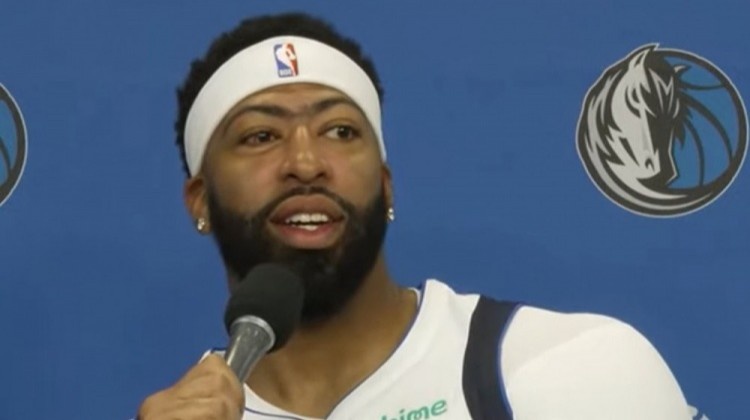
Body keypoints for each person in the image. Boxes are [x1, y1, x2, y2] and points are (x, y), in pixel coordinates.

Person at [136, 12, 694, 420]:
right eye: (261, 136)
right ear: (199, 200)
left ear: (386, 185)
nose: (305, 163)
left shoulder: (570, 367)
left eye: (340, 131)